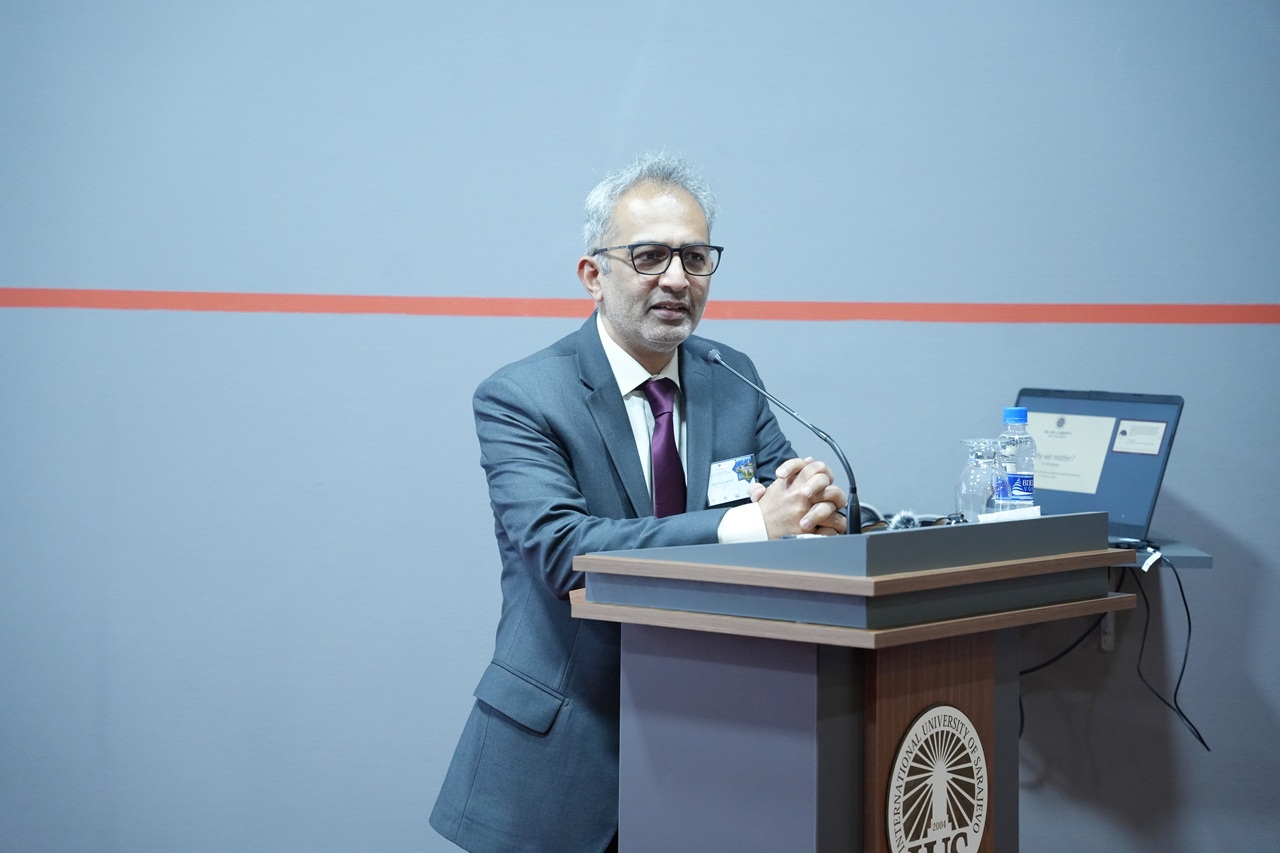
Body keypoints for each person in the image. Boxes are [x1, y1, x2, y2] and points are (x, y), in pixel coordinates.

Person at [429, 154, 847, 852]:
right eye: (650, 256)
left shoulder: (731, 375)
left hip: (717, 746)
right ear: (593, 275)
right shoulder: (522, 396)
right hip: (566, 755)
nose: (677, 279)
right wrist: (754, 522)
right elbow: (565, 551)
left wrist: (816, 510)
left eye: (695, 257)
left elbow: (789, 508)